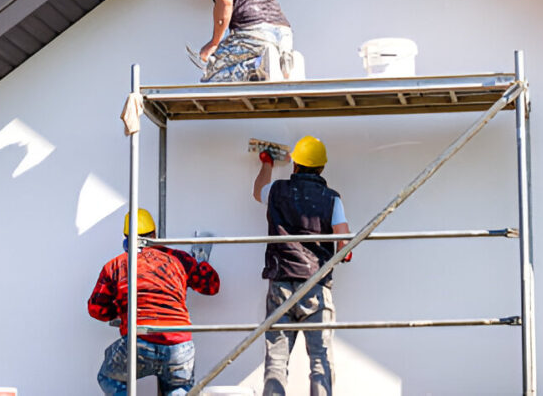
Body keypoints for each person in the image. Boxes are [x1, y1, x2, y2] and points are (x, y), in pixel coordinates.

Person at [252, 136, 351, 396]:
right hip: (316, 286)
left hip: (281, 284)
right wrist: (343, 252)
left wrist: (267, 164)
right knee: (320, 360)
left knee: (276, 360)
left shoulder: (276, 190)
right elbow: (344, 239)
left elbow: (257, 191)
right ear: (321, 168)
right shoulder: (332, 199)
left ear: (295, 164)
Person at [88, 208, 220, 395]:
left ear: (126, 238)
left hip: (140, 340)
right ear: (154, 234)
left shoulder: (117, 265)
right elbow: (211, 286)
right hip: (179, 343)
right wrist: (200, 261)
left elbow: (96, 310)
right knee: (178, 388)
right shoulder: (178, 259)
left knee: (108, 376)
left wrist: (120, 312)